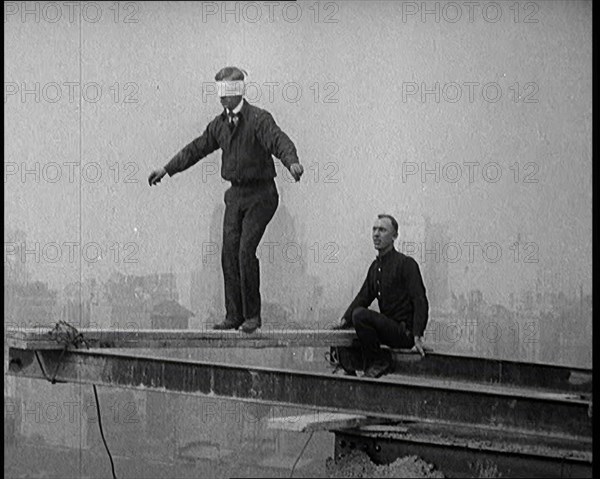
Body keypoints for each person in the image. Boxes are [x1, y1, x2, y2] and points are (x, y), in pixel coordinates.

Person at [148, 66, 304, 333]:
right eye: (219, 92)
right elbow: (196, 149)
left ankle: (252, 316)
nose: (222, 98)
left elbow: (278, 140)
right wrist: (167, 169)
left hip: (262, 194)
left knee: (245, 250)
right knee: (228, 253)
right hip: (235, 195)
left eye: (227, 92)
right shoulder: (219, 125)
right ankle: (234, 315)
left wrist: (292, 162)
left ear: (239, 91)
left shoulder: (258, 119)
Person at [334, 214, 429, 378]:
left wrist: (417, 336)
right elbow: (363, 297)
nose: (376, 234)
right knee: (347, 326)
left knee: (360, 315)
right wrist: (343, 321)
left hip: (402, 333)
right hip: (387, 330)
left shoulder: (406, 264)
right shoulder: (375, 267)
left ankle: (378, 361)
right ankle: (348, 367)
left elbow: (420, 300)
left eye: (382, 230)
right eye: (374, 229)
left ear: (394, 236)